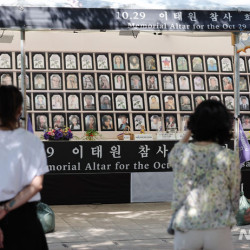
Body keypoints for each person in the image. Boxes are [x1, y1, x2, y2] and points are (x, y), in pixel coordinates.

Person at [169, 100, 240, 250]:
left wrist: (190, 129)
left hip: (187, 225)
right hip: (218, 225)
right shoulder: (229, 157)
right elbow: (234, 196)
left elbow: (175, 151)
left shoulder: (181, 153)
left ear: (194, 123)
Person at [0, 85, 49, 249]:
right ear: (19, 110)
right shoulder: (31, 141)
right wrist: (6, 209)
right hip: (24, 221)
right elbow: (36, 185)